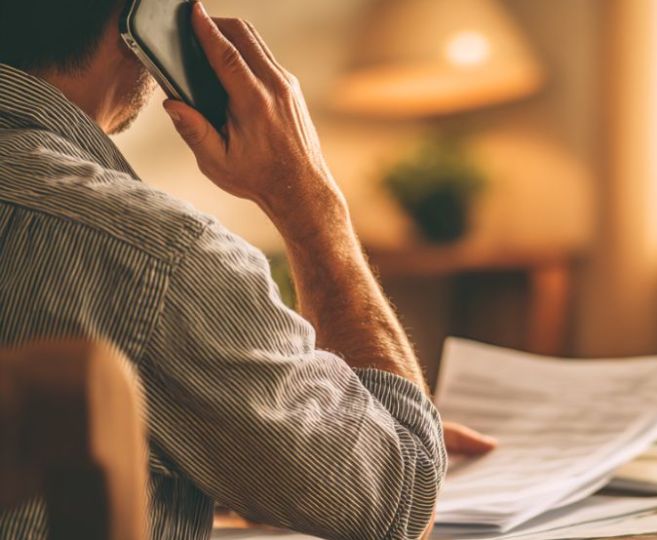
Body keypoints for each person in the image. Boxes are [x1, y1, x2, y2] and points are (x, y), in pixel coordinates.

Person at [0, 1, 496, 538]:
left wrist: (267, 442)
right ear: (143, 15)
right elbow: (399, 502)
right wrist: (310, 202)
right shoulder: (157, 255)